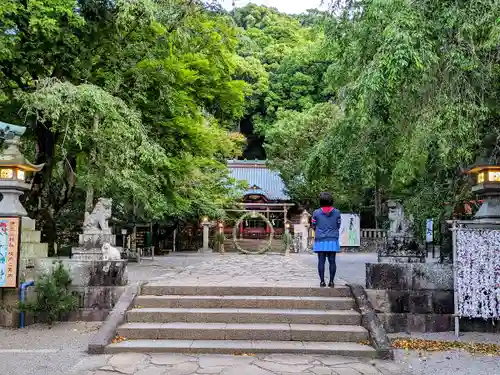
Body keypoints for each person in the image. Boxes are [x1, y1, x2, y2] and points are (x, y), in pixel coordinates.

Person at [311, 192, 341, 288]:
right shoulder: (337, 212)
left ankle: (322, 282)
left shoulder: (316, 213)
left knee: (321, 261)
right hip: (332, 240)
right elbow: (338, 225)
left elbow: (313, 225)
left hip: (320, 240)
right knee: (332, 261)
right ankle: (331, 282)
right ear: (331, 201)